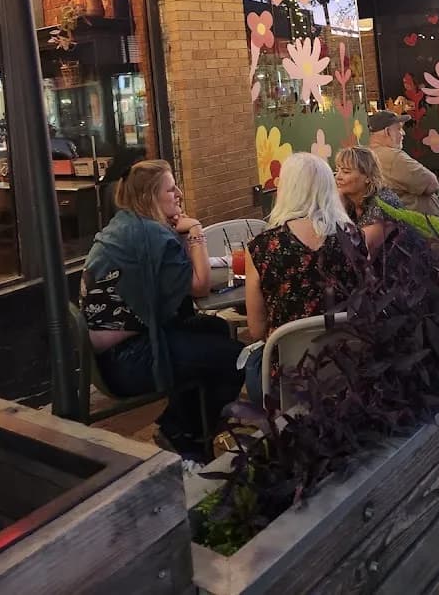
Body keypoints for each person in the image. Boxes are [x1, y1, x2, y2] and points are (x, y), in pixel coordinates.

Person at [80, 159, 243, 460]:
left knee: (215, 328)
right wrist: (195, 231)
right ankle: (184, 433)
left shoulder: (129, 225)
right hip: (127, 361)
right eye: (171, 189)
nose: (179, 193)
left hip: (110, 354)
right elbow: (200, 286)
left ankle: (184, 423)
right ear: (148, 197)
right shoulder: (151, 235)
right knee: (235, 358)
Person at [243, 152, 367, 405]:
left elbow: (256, 330)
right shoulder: (353, 238)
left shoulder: (262, 246)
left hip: (288, 375)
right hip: (349, 365)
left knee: (251, 364)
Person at [367, 110, 439, 217]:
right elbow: (432, 184)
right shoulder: (393, 157)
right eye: (399, 129)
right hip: (422, 225)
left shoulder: (367, 155)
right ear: (387, 132)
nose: (403, 133)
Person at [335, 145, 405, 258]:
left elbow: (360, 251)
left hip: (400, 272)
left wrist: (338, 208)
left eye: (346, 172)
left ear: (367, 176)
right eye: (337, 170)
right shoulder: (350, 202)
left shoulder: (384, 203)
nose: (338, 177)